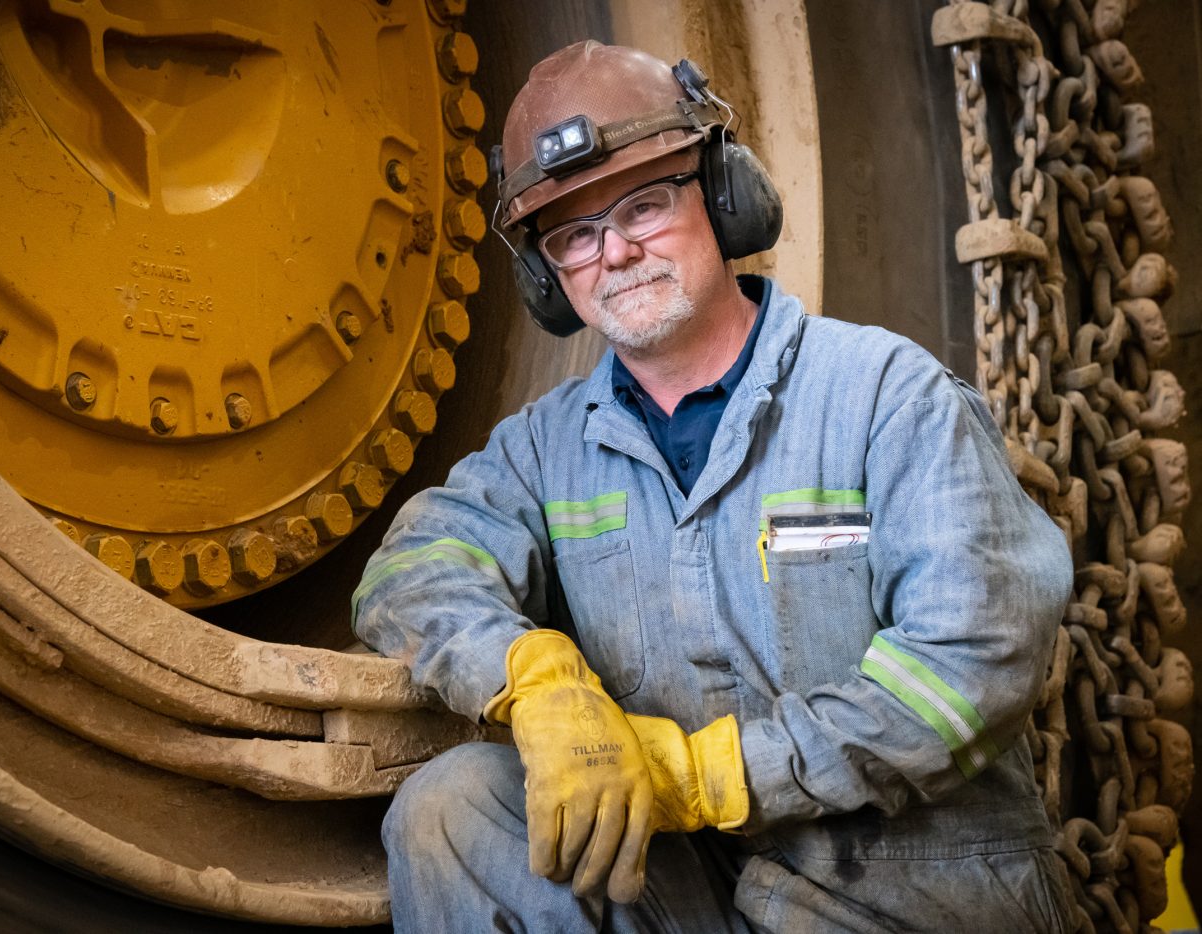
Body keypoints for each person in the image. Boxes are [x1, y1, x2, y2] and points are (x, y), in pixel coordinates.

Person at [352, 40, 1074, 933]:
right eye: (574, 235)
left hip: (910, 897)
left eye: (643, 206)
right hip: (694, 895)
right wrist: (536, 679)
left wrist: (710, 776)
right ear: (546, 277)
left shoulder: (887, 396)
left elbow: (975, 662)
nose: (616, 252)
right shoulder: (545, 448)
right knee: (453, 808)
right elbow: (408, 569)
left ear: (723, 195)